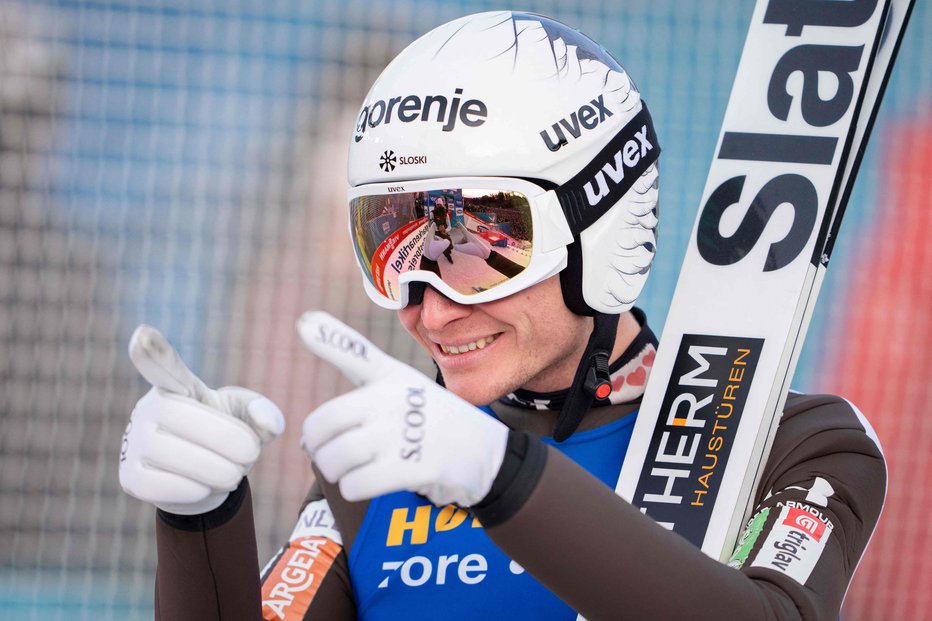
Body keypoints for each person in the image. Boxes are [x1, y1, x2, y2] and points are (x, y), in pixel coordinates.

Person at [117, 11, 885, 621]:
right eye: (391, 245)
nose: (431, 310)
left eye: (476, 246)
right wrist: (201, 523)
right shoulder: (376, 473)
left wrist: (501, 474)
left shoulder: (797, 443)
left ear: (598, 233)